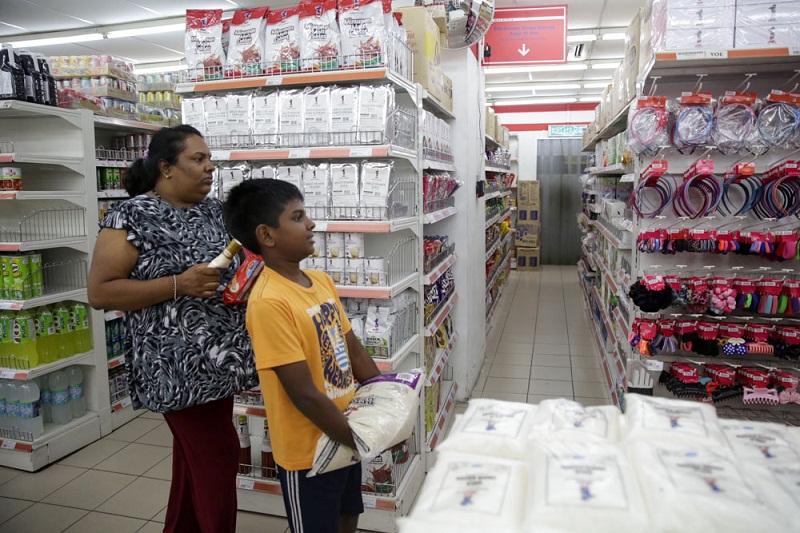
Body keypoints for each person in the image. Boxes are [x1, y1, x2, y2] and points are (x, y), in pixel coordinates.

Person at [87, 125, 257, 533]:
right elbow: (100, 291)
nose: (209, 167)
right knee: (219, 455)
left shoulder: (214, 211)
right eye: (197, 159)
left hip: (220, 366)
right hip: (174, 369)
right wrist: (179, 284)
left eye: (209, 159)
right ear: (165, 167)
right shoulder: (131, 216)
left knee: (193, 462)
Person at [222, 178, 381, 533]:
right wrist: (362, 438)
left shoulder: (320, 281)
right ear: (266, 235)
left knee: (347, 516)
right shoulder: (268, 303)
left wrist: (386, 399)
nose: (310, 224)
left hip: (345, 429)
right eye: (297, 217)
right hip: (309, 452)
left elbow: (352, 347)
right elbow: (304, 394)